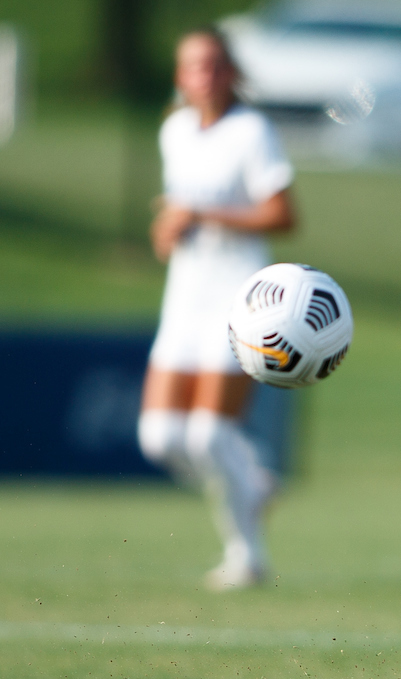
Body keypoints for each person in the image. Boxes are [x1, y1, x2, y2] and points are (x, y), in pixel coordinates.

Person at [137, 28, 296, 591]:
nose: (204, 76)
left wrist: (203, 215)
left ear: (231, 73)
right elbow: (177, 212)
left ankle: (247, 557)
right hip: (184, 299)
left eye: (214, 65)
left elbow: (282, 214)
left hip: (240, 302)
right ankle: (253, 477)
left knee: (209, 436)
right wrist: (170, 229)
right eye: (193, 67)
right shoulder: (175, 131)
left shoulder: (251, 132)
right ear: (181, 77)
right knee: (159, 436)